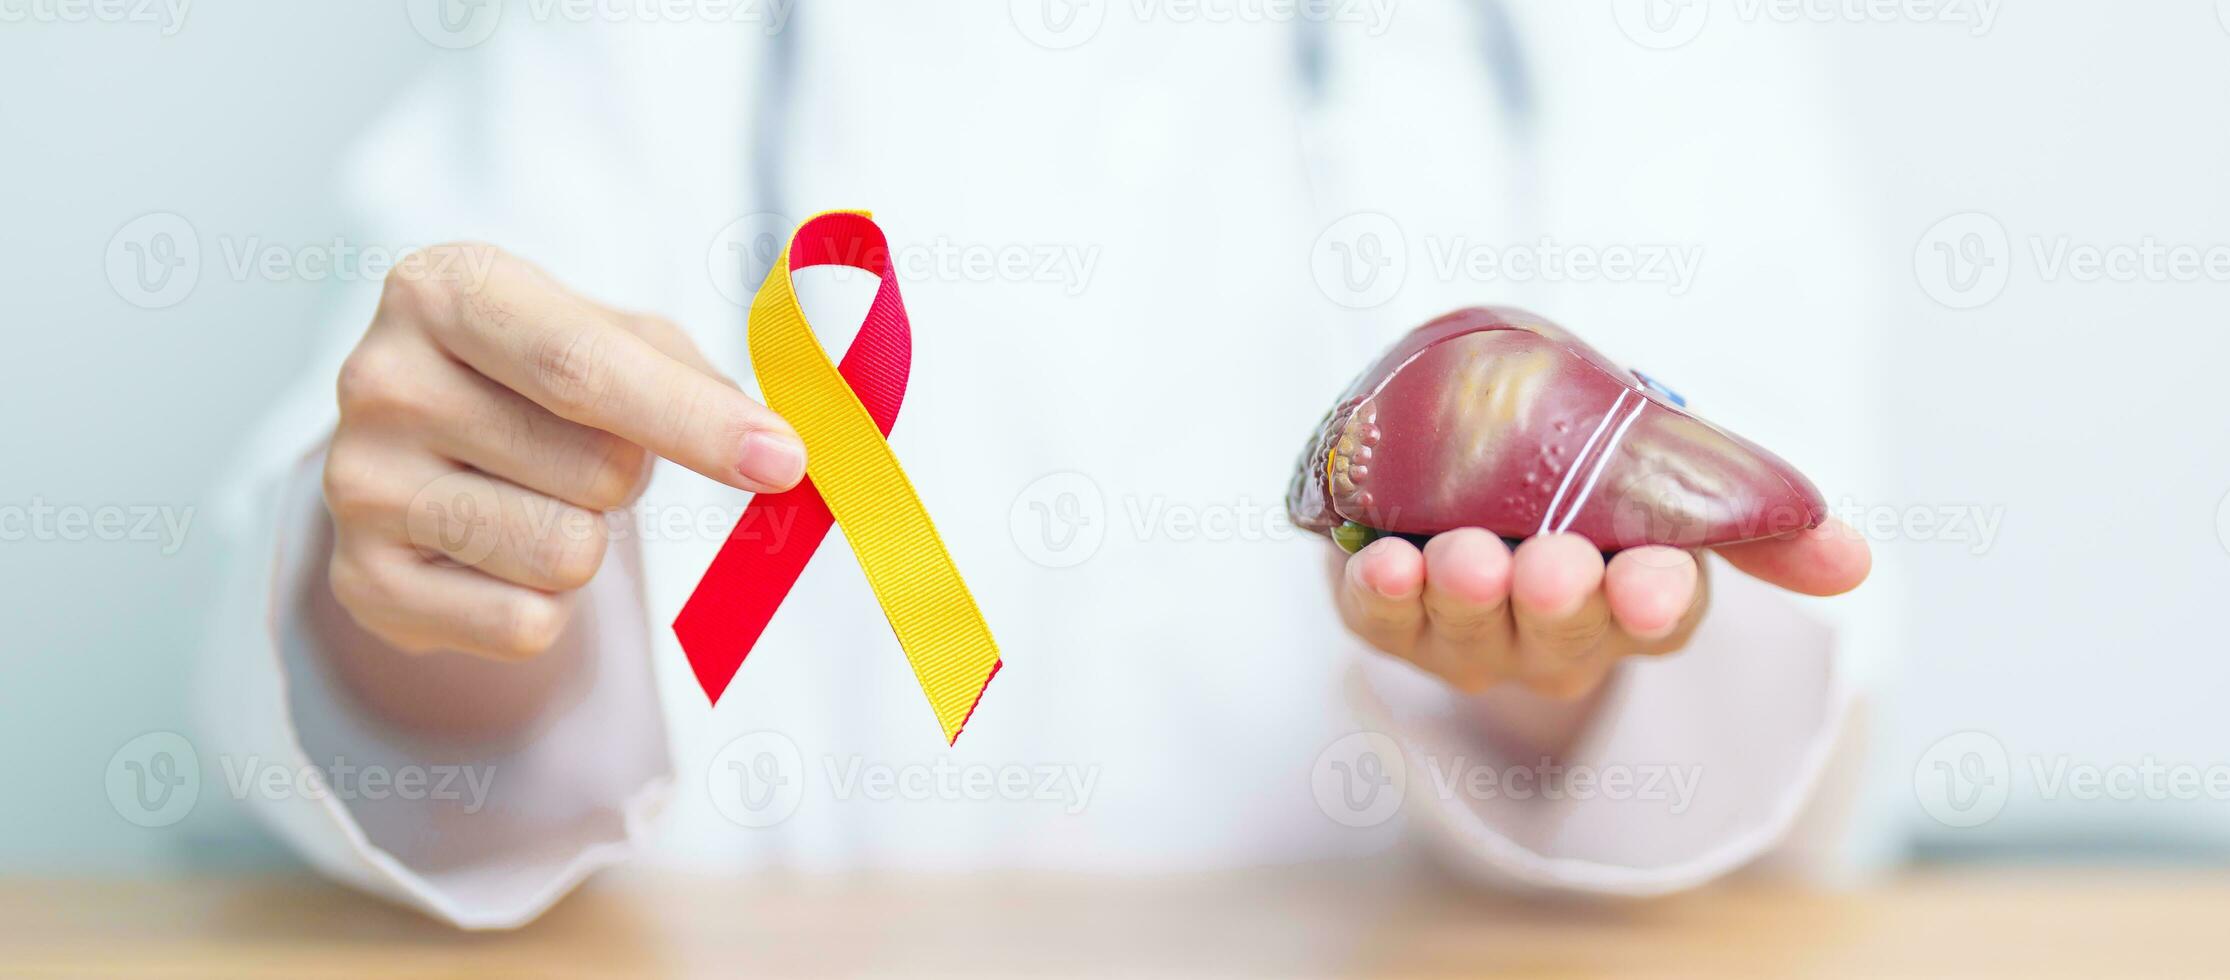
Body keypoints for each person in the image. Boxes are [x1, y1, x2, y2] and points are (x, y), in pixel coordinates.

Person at [200, 3, 1878, 928]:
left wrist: (1548, 691)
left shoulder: (1626, 45)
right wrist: (439, 597)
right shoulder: (637, 44)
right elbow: (382, 609)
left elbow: (1789, 684)